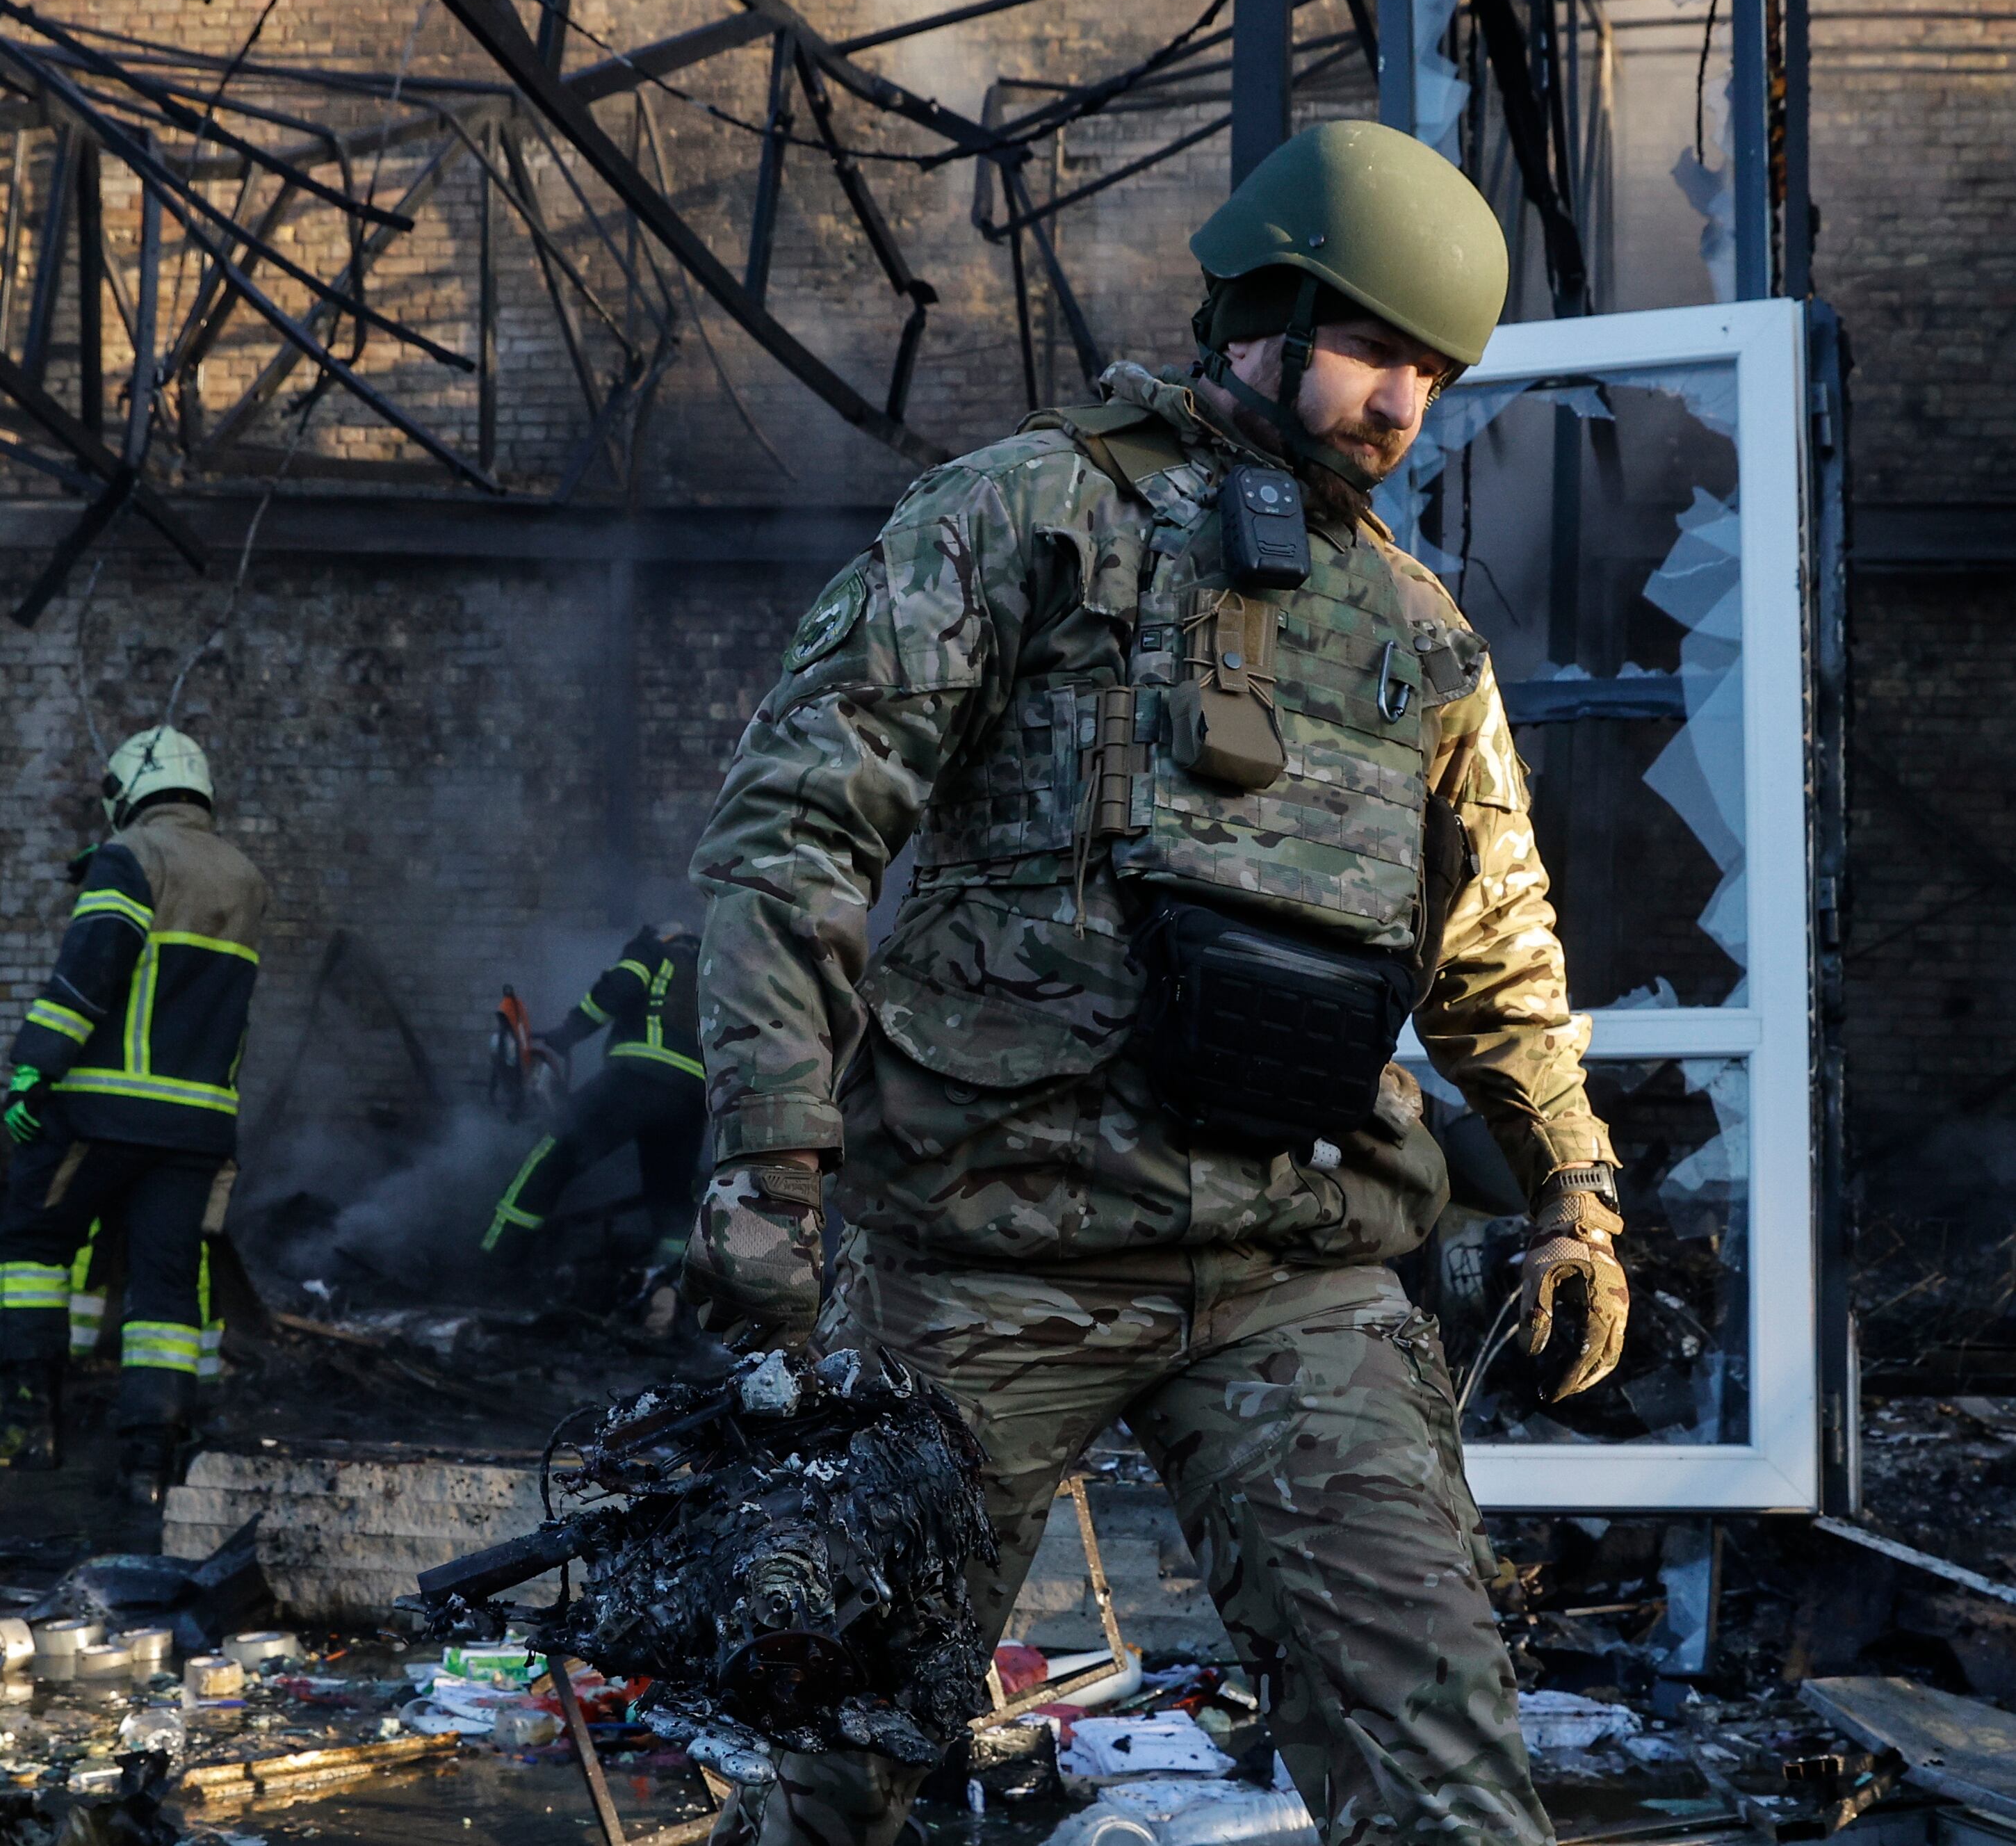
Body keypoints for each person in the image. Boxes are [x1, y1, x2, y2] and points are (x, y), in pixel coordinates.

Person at [681, 120, 1629, 1846]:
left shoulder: (1419, 631)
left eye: (1429, 370)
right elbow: (793, 827)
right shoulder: (1021, 516)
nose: (1399, 406)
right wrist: (766, 1156)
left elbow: (1496, 942)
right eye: (1368, 347)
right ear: (1254, 314)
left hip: (1295, 1272)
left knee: (1445, 1774)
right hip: (987, 1255)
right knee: (828, 1756)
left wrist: (1574, 1188)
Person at [0, 727, 265, 1502]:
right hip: (197, 1125)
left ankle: (25, 1426)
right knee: (166, 1286)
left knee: (34, 1242)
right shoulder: (244, 876)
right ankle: (151, 1459)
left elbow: (90, 968)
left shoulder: (130, 856)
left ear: (132, 786)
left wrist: (36, 1065)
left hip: (101, 1108)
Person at [482, 923, 705, 1320]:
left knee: (552, 1157)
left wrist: (567, 1034)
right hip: (691, 1098)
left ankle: (498, 1268)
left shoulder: (653, 950)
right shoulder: (715, 970)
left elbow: (617, 990)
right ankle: (671, 1292)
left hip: (636, 1078)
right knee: (672, 1201)